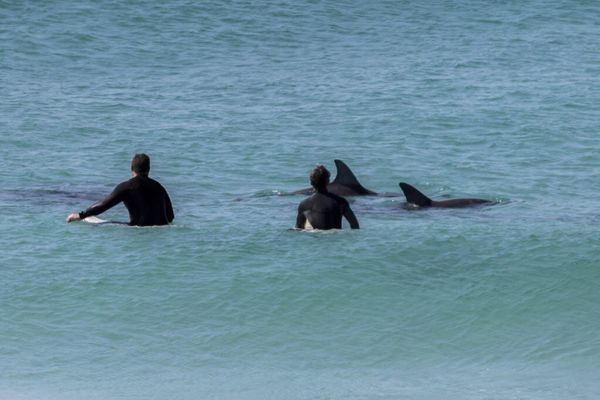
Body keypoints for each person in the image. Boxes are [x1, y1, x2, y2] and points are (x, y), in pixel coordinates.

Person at [66, 153, 174, 226]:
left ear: (132, 169)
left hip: (138, 230)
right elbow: (170, 217)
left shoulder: (127, 186)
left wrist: (80, 215)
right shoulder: (159, 187)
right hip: (161, 229)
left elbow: (103, 205)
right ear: (149, 169)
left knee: (90, 220)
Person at [296, 165, 359, 230]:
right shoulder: (341, 202)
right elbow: (355, 225)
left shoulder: (304, 204)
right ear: (328, 181)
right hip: (336, 237)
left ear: (311, 182)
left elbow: (298, 228)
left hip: (315, 237)